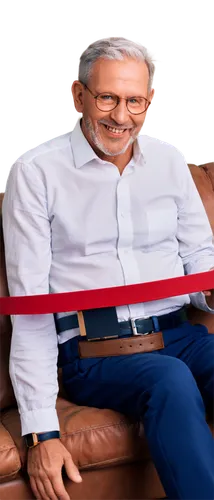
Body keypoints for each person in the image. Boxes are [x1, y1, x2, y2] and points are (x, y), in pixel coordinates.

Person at [2, 35, 214, 500]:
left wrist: (210, 291)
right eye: (107, 98)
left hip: (180, 335)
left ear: (150, 101)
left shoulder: (168, 161)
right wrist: (42, 432)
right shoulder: (36, 173)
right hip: (94, 352)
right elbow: (30, 308)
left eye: (135, 101)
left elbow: (201, 259)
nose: (122, 117)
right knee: (169, 379)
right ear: (77, 94)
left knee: (184, 365)